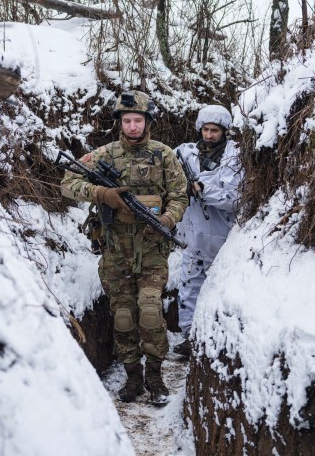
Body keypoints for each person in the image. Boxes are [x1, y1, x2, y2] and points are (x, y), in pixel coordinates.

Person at [61, 91, 188, 406]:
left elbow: (180, 194)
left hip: (153, 249)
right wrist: (102, 194)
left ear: (147, 122)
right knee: (122, 315)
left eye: (138, 120)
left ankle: (155, 377)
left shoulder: (164, 155)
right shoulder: (103, 154)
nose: (133, 126)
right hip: (116, 249)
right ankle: (133, 377)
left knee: (148, 310)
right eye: (127, 120)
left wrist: (169, 219)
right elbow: (68, 183)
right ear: (120, 122)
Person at [173, 105, 242, 358]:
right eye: (206, 129)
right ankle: (190, 337)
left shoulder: (234, 156)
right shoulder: (185, 153)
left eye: (215, 130)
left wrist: (202, 189)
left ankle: (214, 338)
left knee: (218, 290)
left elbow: (233, 197)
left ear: (224, 131)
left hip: (222, 238)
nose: (210, 135)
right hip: (192, 235)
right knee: (189, 287)